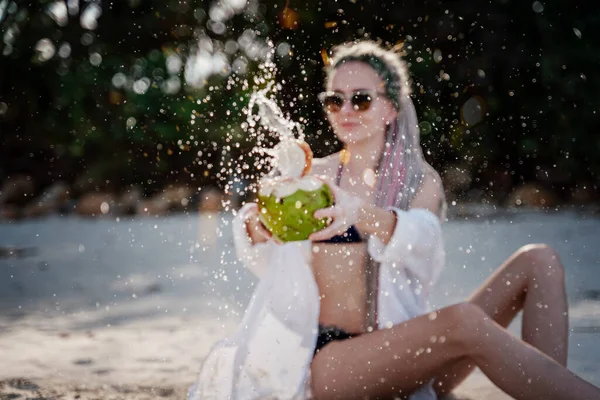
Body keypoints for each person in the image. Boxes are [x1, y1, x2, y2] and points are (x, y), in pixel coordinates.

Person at [188, 41, 600, 400]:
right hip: (330, 363)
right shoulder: (313, 176)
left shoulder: (421, 182)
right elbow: (256, 233)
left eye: (361, 99)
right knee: (463, 320)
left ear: (390, 107)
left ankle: (552, 388)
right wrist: (254, 227)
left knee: (539, 260)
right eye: (335, 99)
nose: (346, 109)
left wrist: (358, 212)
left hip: (411, 355)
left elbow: (422, 238)